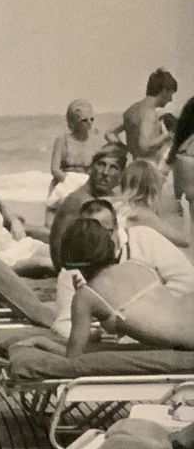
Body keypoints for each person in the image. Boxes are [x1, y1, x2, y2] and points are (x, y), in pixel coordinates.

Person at [45, 198, 194, 343]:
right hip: (116, 338)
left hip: (170, 322)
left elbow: (187, 280)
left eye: (106, 231)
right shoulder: (74, 268)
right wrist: (97, 331)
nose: (99, 238)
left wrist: (148, 316)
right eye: (88, 233)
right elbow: (63, 324)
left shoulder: (143, 239)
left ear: (116, 227)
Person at [50, 145, 127, 247]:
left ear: (121, 176)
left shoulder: (106, 198)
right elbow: (59, 247)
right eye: (101, 164)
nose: (105, 172)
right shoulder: (79, 202)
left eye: (113, 167)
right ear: (91, 168)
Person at [47, 100, 102, 220]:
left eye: (92, 119)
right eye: (84, 120)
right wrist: (71, 183)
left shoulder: (95, 140)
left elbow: (99, 167)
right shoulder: (62, 140)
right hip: (64, 185)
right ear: (73, 122)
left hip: (86, 187)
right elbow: (54, 169)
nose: (89, 123)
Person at [107, 68, 178, 162]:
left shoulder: (131, 110)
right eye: (171, 94)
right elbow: (144, 146)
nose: (171, 99)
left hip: (134, 164)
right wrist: (166, 136)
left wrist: (126, 150)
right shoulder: (149, 113)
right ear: (164, 92)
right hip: (147, 167)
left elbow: (109, 134)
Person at [119, 159, 189, 247]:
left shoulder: (119, 207)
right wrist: (186, 209)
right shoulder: (142, 215)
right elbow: (185, 240)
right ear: (152, 187)